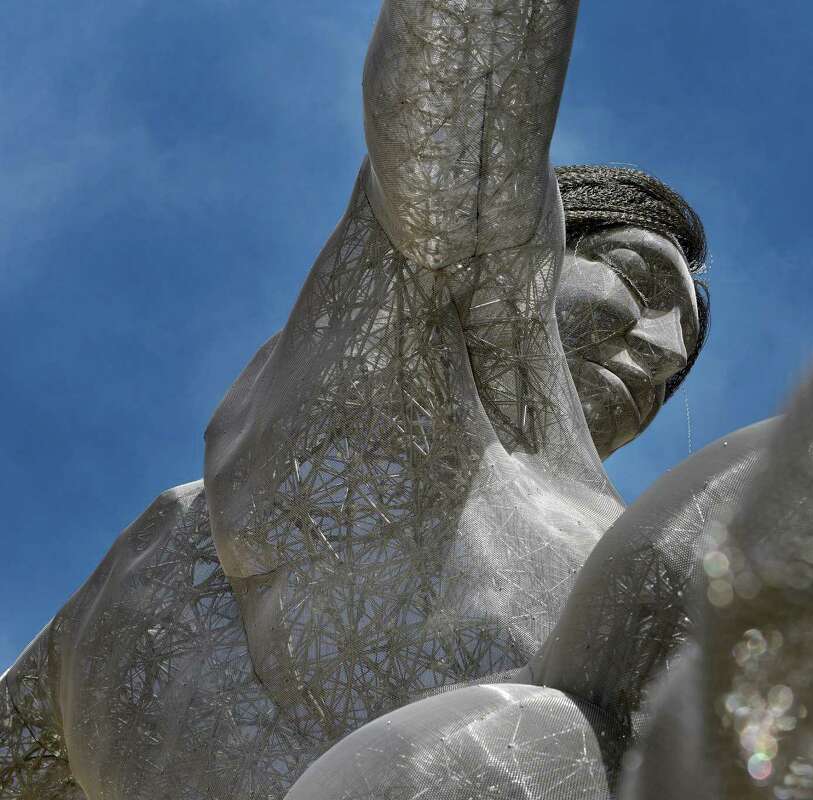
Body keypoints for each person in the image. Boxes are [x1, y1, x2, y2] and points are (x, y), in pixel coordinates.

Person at [0, 1, 715, 797]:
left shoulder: (623, 545)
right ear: (549, 245)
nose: (667, 351)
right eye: (641, 282)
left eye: (681, 354)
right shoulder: (153, 554)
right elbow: (469, 104)